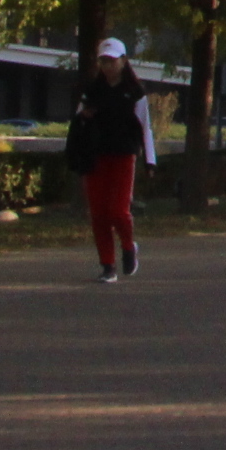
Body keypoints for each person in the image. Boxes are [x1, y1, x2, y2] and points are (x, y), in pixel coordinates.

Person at [66, 39, 159, 283]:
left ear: (124, 61)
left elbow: (144, 127)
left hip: (124, 156)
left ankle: (129, 246)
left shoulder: (135, 92)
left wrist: (150, 161)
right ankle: (108, 266)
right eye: (104, 61)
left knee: (118, 211)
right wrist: (84, 118)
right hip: (95, 155)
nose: (108, 66)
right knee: (98, 213)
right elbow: (77, 124)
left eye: (113, 60)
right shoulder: (91, 91)